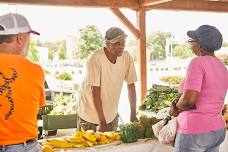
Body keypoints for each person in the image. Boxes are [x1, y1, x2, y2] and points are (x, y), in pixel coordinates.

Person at [170, 25, 228, 152]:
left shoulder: (197, 62)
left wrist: (175, 108)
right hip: (216, 130)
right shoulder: (222, 67)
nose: (190, 45)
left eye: (192, 41)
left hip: (194, 130)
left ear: (200, 45)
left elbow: (189, 100)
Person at [77, 27, 137, 132]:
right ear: (108, 44)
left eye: (123, 42)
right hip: (90, 117)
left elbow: (131, 85)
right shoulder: (95, 58)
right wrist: (102, 122)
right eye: (117, 43)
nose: (122, 46)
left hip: (111, 116)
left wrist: (133, 114)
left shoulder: (126, 57)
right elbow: (95, 92)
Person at [0, 13, 45, 152]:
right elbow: (38, 105)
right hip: (23, 147)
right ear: (20, 37)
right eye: (28, 37)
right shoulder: (35, 71)